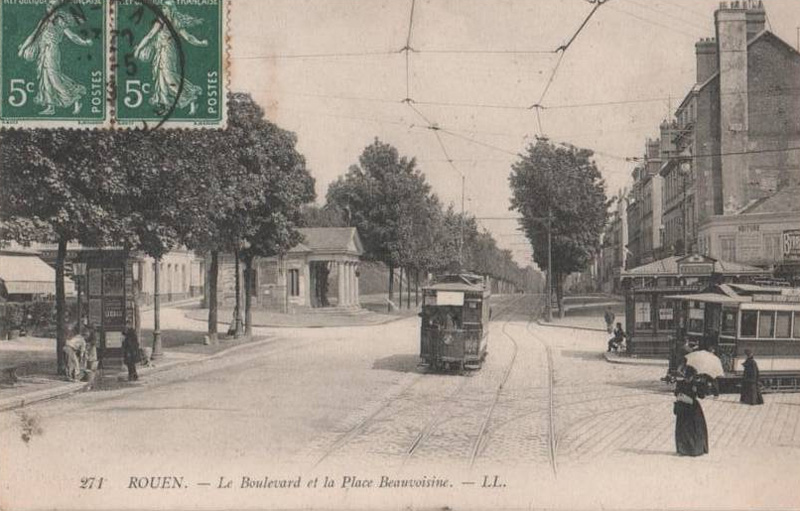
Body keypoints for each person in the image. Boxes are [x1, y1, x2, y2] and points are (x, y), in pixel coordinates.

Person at [674, 366, 709, 456]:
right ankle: (683, 449)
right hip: (683, 408)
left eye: (689, 377)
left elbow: (702, 396)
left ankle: (694, 449)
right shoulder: (681, 383)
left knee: (694, 429)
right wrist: (680, 395)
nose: (687, 379)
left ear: (693, 377)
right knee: (683, 429)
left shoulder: (695, 384)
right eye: (686, 377)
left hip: (693, 408)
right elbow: (676, 393)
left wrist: (698, 389)